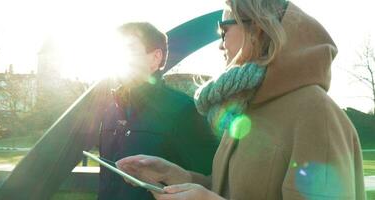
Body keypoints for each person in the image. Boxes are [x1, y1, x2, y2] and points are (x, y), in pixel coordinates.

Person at [116, 0, 366, 199]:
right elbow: (227, 189)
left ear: (256, 28)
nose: (220, 45)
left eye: (223, 30)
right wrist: (174, 175)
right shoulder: (245, 107)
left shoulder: (316, 112)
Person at [98, 22, 219, 200]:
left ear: (155, 58)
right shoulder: (111, 110)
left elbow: (213, 181)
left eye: (130, 50)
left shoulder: (183, 110)